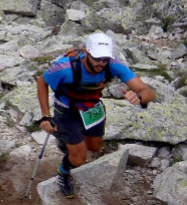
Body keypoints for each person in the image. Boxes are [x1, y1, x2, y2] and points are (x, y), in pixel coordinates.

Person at [37, 32, 155, 199]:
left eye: (105, 59)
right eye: (97, 58)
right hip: (67, 110)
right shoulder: (65, 68)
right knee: (79, 159)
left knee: (94, 148)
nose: (101, 63)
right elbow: (42, 81)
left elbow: (149, 92)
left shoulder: (113, 65)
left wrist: (140, 97)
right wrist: (45, 115)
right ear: (87, 52)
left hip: (92, 108)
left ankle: (65, 138)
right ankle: (63, 171)